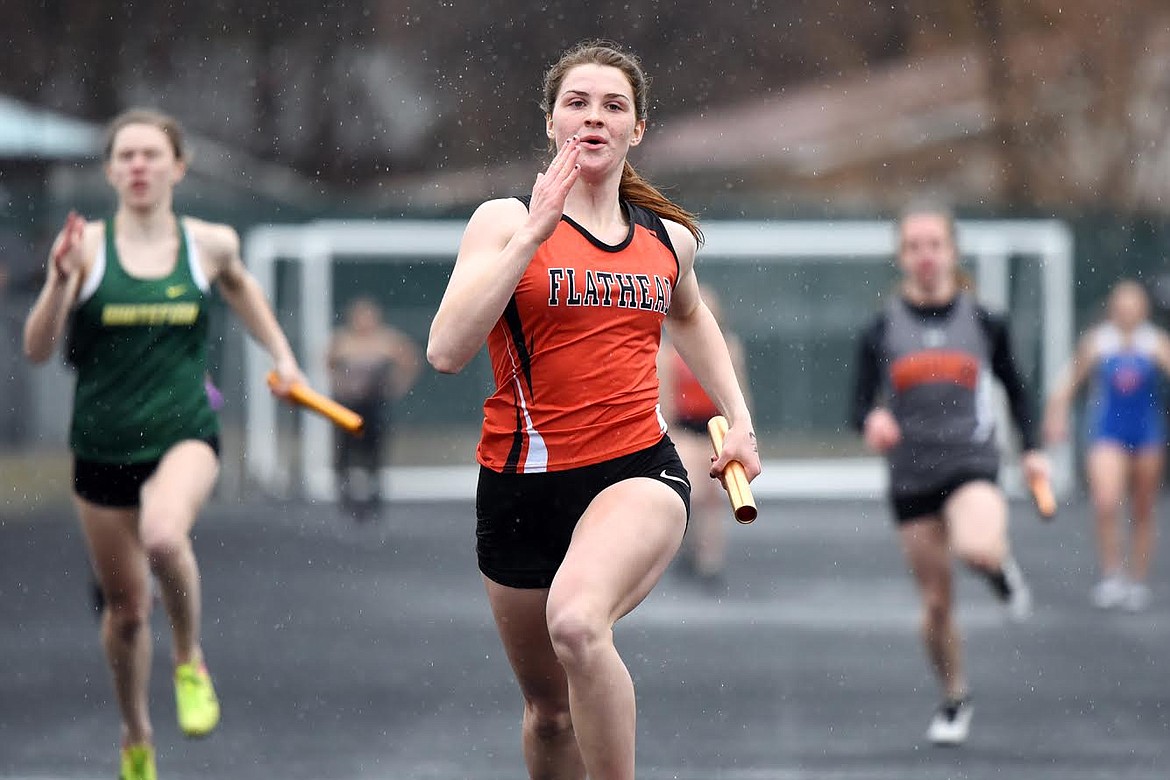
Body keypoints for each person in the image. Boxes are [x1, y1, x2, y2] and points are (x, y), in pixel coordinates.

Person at [427, 40, 760, 780]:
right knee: (549, 716)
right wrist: (531, 236)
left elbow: (692, 317)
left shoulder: (665, 239)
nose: (594, 117)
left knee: (578, 627)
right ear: (551, 122)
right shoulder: (499, 221)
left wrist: (739, 418)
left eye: (614, 106)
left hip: (634, 472)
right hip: (519, 486)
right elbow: (447, 350)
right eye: (577, 103)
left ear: (637, 130)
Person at [22, 108, 304, 780]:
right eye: (126, 156)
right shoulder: (83, 247)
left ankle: (187, 660)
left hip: (184, 432)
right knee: (122, 614)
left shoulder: (209, 244)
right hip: (100, 449)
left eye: (152, 155)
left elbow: (243, 291)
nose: (139, 167)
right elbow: (36, 350)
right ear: (112, 170)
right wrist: (60, 280)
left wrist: (285, 357)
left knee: (163, 537)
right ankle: (136, 736)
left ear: (178, 167)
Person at [851, 204, 1050, 747]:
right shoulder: (880, 328)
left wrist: (1031, 449)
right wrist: (875, 419)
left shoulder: (984, 322)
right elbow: (858, 406)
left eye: (934, 244)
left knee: (978, 548)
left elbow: (1017, 387)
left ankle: (998, 567)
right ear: (901, 256)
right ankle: (954, 697)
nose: (925, 256)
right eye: (914, 246)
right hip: (910, 476)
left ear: (952, 251)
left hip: (971, 462)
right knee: (937, 606)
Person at [1044, 280, 1170, 612]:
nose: (1128, 311)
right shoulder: (1098, 342)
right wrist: (1056, 414)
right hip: (1107, 432)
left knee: (1143, 507)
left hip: (1146, 433)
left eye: (1134, 304)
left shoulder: (1154, 343)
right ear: (1113, 307)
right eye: (1122, 304)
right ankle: (1112, 573)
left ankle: (1137, 579)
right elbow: (1068, 382)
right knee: (1106, 501)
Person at [658, 283, 752, 592]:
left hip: (717, 428)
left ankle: (710, 560)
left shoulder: (729, 348)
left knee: (713, 498)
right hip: (685, 428)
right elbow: (667, 398)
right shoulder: (668, 353)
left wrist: (745, 431)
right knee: (692, 491)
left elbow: (739, 392)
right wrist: (669, 434)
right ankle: (685, 547)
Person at [326, 296, 421, 520]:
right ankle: (345, 497)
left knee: (374, 454)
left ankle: (374, 498)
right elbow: (326, 362)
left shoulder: (385, 340)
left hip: (374, 407)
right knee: (343, 454)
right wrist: (340, 386)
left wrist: (397, 385)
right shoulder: (343, 341)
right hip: (348, 408)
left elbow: (410, 359)